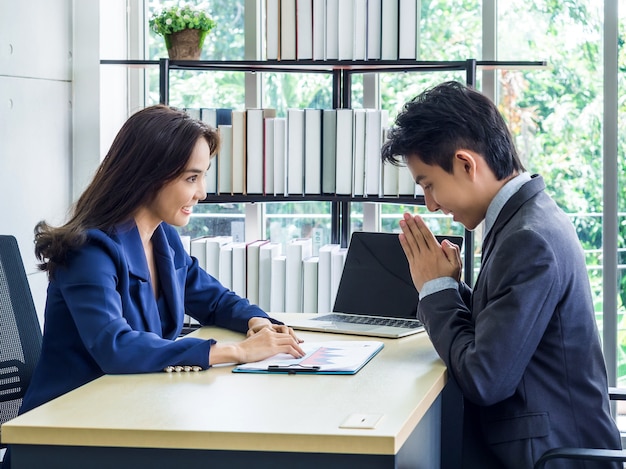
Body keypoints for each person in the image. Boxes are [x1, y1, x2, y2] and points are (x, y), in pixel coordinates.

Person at [381, 81, 621, 468]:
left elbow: (485, 379)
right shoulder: (523, 220)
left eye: (429, 185)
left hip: (551, 458)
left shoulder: (528, 239)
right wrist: (453, 288)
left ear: (464, 164)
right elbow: (503, 333)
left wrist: (436, 289)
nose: (430, 204)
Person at [19, 104, 305, 417]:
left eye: (202, 177)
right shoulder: (88, 249)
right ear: (149, 176)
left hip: (134, 407)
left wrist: (257, 322)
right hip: (69, 429)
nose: (202, 193)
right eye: (191, 178)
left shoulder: (162, 237)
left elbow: (215, 301)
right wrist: (237, 351)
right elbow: (115, 346)